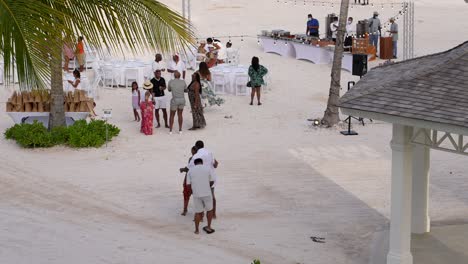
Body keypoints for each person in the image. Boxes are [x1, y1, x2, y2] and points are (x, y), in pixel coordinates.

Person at [190, 140, 219, 219]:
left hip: (200, 180)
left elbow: (190, 168)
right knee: (212, 197)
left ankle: (201, 216)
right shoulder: (209, 152)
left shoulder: (195, 156)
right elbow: (216, 164)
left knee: (200, 197)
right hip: (211, 178)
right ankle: (213, 214)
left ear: (196, 147)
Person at [186, 158, 215, 234]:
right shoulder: (207, 168)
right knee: (209, 210)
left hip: (197, 194)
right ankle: (208, 227)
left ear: (195, 163)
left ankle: (197, 230)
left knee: (198, 212)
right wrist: (207, 186)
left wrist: (193, 192)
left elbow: (188, 185)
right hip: (207, 193)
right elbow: (212, 181)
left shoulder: (190, 171)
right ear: (201, 162)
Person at [179, 146, 198, 216]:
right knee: (198, 196)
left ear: (193, 151)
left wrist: (182, 169)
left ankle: (185, 210)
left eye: (192, 150)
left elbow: (188, 169)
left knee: (186, 194)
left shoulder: (191, 158)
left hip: (189, 178)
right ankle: (200, 214)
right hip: (197, 179)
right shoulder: (201, 158)